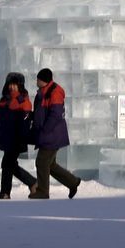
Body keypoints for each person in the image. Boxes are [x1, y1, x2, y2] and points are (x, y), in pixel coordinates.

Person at [28, 68, 80, 199]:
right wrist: (32, 116)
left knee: (42, 161)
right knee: (50, 165)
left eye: (38, 79)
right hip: (49, 134)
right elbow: (42, 112)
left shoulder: (55, 92)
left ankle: (43, 191)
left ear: (43, 80)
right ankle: (73, 182)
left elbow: (55, 114)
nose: (36, 81)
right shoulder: (43, 92)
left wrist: (45, 130)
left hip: (52, 134)